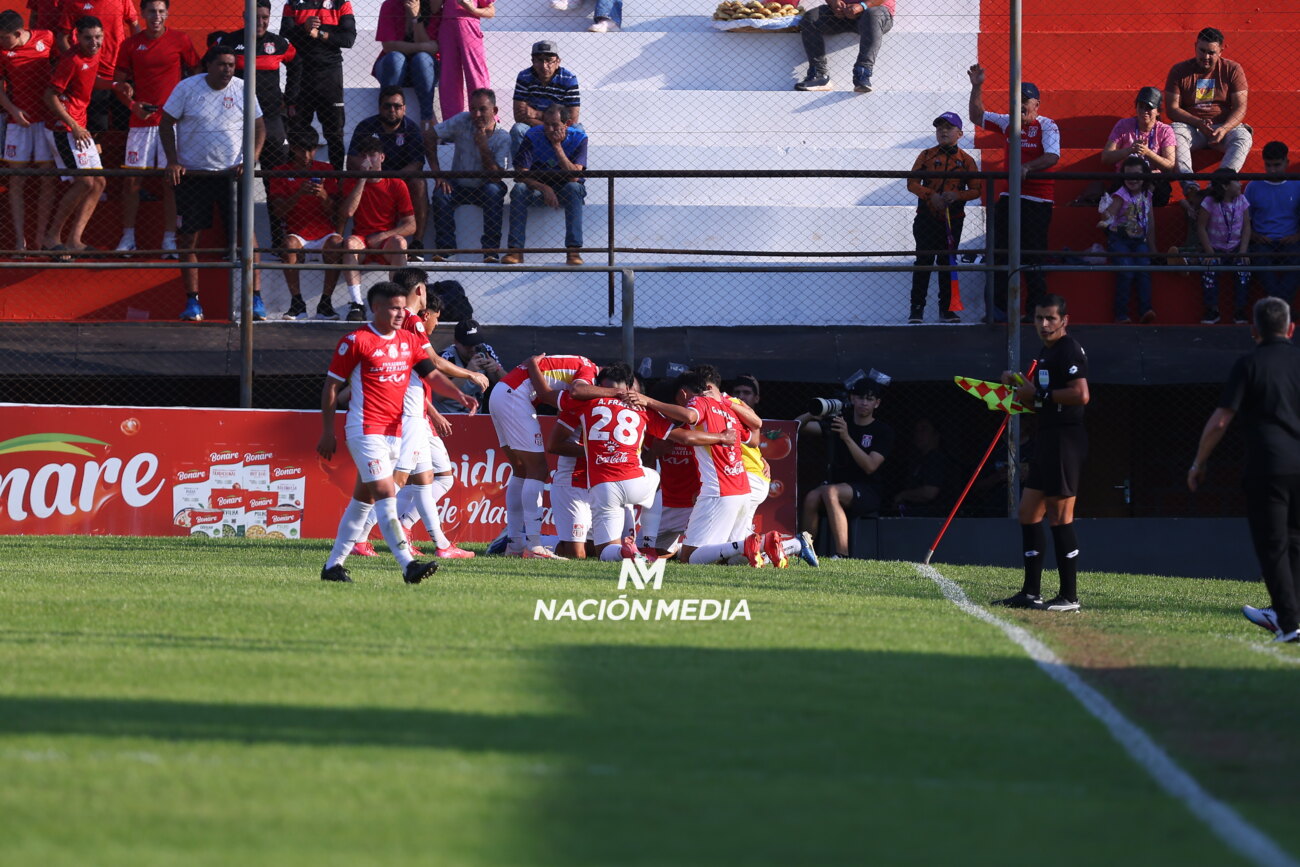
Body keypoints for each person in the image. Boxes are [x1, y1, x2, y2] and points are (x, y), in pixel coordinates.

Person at [316, 281, 451, 585]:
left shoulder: (407, 340)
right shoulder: (356, 341)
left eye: (403, 307)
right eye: (393, 307)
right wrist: (327, 431)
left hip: (396, 432)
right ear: (375, 308)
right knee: (387, 494)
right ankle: (408, 565)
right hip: (365, 431)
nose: (401, 313)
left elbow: (432, 373)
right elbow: (332, 387)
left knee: (361, 502)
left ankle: (333, 566)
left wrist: (459, 393)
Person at [349, 269, 485, 560]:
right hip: (409, 414)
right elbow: (432, 362)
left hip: (414, 410)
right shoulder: (411, 321)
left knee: (427, 479)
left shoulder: (399, 323)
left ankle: (439, 543)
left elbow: (418, 369)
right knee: (399, 479)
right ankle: (360, 537)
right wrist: (470, 375)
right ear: (420, 290)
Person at [1189, 296, 1300, 644]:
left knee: (1273, 546)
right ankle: (1289, 614)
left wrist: (1199, 462)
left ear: (1254, 330)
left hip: (1268, 465)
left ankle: (1289, 621)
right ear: (1291, 329)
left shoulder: (1249, 364)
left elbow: (1221, 420)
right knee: (1296, 542)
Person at [995, 293, 1090, 612]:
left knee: (1060, 517)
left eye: (1051, 318)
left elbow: (1081, 395)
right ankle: (1030, 592)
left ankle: (1069, 597)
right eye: (1039, 318)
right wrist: (1018, 386)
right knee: (1028, 513)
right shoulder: (1046, 351)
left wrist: (1038, 393)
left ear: (1065, 320)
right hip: (1047, 438)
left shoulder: (1068, 349)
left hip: (1065, 439)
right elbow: (1038, 398)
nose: (1044, 324)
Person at [161, 44, 266, 322]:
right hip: (195, 175)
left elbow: (260, 126)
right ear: (208, 65)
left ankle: (256, 299)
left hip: (233, 175)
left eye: (231, 65)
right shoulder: (187, 88)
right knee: (189, 239)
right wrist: (172, 161)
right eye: (221, 64)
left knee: (247, 235)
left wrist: (251, 159)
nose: (227, 70)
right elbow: (165, 123)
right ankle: (192, 302)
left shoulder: (243, 88)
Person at [488, 352, 628, 558]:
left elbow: (552, 395)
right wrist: (615, 393)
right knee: (537, 470)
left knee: (521, 469)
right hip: (514, 396)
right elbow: (577, 390)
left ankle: (515, 542)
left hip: (504, 392)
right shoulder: (588, 370)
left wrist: (533, 366)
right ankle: (533, 545)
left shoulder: (579, 369)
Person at [968, 66, 1060, 321]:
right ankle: (997, 311)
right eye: (1016, 100)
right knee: (1000, 252)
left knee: (1033, 257)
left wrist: (1027, 167)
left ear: (1036, 105)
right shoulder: (1008, 121)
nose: (1019, 106)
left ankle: (1034, 313)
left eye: (1024, 101)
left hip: (1038, 200)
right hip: (1010, 198)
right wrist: (977, 86)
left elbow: (1053, 156)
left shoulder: (1048, 126)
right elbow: (977, 116)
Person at [111, 0, 199, 257]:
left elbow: (197, 73)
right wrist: (132, 104)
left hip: (171, 124)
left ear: (167, 13)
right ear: (143, 14)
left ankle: (169, 240)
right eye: (151, 11)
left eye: (161, 11)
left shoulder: (181, 39)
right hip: (141, 123)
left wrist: (185, 104)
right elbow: (118, 83)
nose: (156, 16)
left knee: (171, 181)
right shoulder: (130, 44)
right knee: (131, 182)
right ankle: (128, 238)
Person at [214, 0, 300, 251]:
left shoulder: (279, 43)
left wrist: (290, 98)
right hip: (235, 124)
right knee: (234, 184)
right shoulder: (229, 42)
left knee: (276, 183)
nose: (260, 22)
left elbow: (296, 63)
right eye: (256, 16)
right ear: (244, 16)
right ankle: (234, 246)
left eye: (265, 17)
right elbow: (209, 68)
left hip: (271, 121)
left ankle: (279, 242)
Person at [797, 378, 893, 559]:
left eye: (870, 399)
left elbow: (870, 466)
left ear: (877, 403)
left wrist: (847, 437)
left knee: (830, 491)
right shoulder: (841, 422)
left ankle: (842, 554)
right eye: (860, 397)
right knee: (812, 497)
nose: (864, 403)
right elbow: (797, 427)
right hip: (839, 485)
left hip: (868, 490)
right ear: (852, 398)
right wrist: (814, 412)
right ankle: (805, 552)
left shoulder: (882, 431)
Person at [1164, 27, 1252, 221]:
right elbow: (1172, 109)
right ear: (1195, 46)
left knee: (1244, 137)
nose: (1205, 57)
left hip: (1223, 126)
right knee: (1173, 132)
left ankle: (1217, 187)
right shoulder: (1179, 70)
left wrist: (1225, 128)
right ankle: (1191, 188)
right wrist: (1198, 122)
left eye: (1211, 52)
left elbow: (1241, 108)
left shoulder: (1232, 69)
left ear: (1221, 50)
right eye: (1202, 50)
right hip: (1191, 127)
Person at [41, 15, 111, 258]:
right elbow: (49, 96)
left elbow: (90, 80)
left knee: (99, 182)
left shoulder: (95, 55)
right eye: (88, 38)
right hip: (63, 128)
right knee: (84, 182)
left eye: (98, 37)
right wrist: (73, 125)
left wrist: (116, 86)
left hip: (80, 127)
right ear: (77, 37)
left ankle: (74, 240)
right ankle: (52, 237)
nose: (94, 42)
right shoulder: (70, 60)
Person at [906, 111, 982, 323]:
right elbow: (912, 183)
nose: (943, 131)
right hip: (926, 218)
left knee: (947, 262)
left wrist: (957, 196)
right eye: (939, 128)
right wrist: (931, 195)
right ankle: (916, 310)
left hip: (953, 219)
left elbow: (976, 190)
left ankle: (947, 310)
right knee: (923, 261)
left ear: (960, 133)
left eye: (948, 128)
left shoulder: (967, 160)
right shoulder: (926, 155)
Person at [269, 128, 351, 320]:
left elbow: (337, 214)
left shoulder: (326, 170)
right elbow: (278, 212)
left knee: (337, 243)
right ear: (293, 149)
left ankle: (325, 303)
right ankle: (297, 303)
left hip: (324, 233)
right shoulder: (280, 172)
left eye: (311, 150)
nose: (306, 155)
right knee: (288, 245)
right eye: (301, 150)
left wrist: (323, 196)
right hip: (297, 233)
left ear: (316, 149)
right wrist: (298, 193)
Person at [339, 135, 416, 320]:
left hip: (385, 242)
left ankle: (396, 301)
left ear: (382, 157)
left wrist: (383, 236)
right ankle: (357, 304)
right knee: (349, 243)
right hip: (362, 240)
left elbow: (411, 225)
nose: (368, 160)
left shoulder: (396, 184)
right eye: (363, 156)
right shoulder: (352, 183)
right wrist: (363, 179)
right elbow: (348, 212)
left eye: (372, 155)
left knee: (400, 242)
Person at [429, 87, 510, 262]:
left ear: (494, 111)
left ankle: (490, 252)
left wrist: (483, 146)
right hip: (458, 183)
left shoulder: (503, 137)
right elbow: (429, 135)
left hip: (485, 185)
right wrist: (438, 175)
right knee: (440, 193)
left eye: (482, 109)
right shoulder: (462, 120)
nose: (476, 114)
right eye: (473, 109)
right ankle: (446, 251)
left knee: (494, 190)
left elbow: (496, 176)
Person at [502, 104, 587, 266]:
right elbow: (521, 174)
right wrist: (544, 188)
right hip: (538, 188)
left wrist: (557, 146)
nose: (549, 129)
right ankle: (515, 251)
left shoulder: (579, 137)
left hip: (566, 189)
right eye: (546, 124)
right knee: (519, 189)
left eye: (555, 125)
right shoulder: (533, 135)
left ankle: (573, 251)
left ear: (567, 124)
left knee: (574, 188)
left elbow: (574, 177)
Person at [0, 10, 56, 256]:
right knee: (16, 180)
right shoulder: (2, 52)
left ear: (17, 33)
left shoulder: (47, 38)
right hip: (18, 123)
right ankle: (19, 242)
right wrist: (13, 109)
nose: (1, 42)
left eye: (4, 38)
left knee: (47, 178)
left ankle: (40, 238)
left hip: (45, 121)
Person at [348, 86, 429, 252]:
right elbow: (352, 160)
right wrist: (370, 173)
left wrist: (393, 179)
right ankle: (338, 237)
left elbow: (417, 163)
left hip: (399, 179)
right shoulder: (365, 126)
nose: (392, 110)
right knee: (343, 182)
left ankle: (417, 244)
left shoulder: (411, 128)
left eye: (397, 106)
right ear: (380, 108)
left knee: (419, 183)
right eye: (387, 106)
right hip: (370, 177)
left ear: (404, 108)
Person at [281, 0, 356, 169]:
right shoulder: (293, 3)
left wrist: (320, 34)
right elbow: (284, 35)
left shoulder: (341, 3)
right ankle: (294, 180)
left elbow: (348, 39)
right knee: (297, 132)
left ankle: (337, 179)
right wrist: (304, 28)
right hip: (300, 74)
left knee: (334, 133)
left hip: (330, 74)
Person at [1083, 86, 1176, 209]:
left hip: (1152, 179)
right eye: (1140, 106)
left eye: (1149, 108)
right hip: (1126, 178)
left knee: (1158, 188)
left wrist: (1148, 153)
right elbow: (1106, 157)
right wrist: (1130, 150)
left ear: (1158, 111)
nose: (1144, 111)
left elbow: (1170, 165)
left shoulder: (1165, 130)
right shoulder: (1123, 125)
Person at [56, 0, 138, 132]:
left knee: (126, 124)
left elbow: (134, 25)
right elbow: (62, 37)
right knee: (96, 128)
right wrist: (79, 63)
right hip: (93, 76)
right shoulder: (73, 3)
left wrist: (135, 56)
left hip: (121, 72)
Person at [1101, 155, 1157, 323]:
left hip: (1139, 239)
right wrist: (1104, 212)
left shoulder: (1147, 194)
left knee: (1144, 270)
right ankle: (1121, 314)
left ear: (1144, 176)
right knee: (1126, 271)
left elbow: (1150, 221)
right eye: (1128, 175)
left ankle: (1145, 310)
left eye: (1137, 175)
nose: (1132, 179)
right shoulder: (1120, 195)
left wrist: (1153, 247)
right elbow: (1110, 215)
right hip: (1120, 239)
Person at [793, 0, 893, 93]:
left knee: (873, 14)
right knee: (810, 17)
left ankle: (863, 74)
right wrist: (834, 3)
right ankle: (819, 76)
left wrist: (862, 6)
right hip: (841, 15)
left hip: (874, 13)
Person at [1244, 141, 1300, 305]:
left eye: (1277, 165)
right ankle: (1282, 307)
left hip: (1291, 240)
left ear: (1287, 162)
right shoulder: (1253, 187)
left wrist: (1297, 236)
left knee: (1297, 260)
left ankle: (1276, 306)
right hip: (1262, 241)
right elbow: (1244, 221)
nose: (1272, 170)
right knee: (1260, 260)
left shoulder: (1297, 185)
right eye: (1268, 165)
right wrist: (1255, 236)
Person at [1196, 168, 1252, 325]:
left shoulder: (1242, 200)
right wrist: (1209, 252)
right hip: (1215, 248)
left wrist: (1243, 251)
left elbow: (1247, 226)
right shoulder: (1209, 202)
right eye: (1236, 181)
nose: (1240, 184)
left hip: (1236, 248)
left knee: (1243, 270)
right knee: (1209, 269)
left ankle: (1240, 310)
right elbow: (1201, 227)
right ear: (1225, 186)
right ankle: (1212, 309)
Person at [372, 0, 438, 129]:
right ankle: (388, 119)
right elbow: (389, 46)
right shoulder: (390, 5)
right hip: (393, 69)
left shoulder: (433, 8)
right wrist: (423, 47)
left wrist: (416, 17)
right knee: (396, 58)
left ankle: (427, 120)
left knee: (422, 59)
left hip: (423, 71)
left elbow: (431, 50)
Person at [510, 40, 581, 155]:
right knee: (518, 129)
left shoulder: (569, 78)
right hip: (536, 128)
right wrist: (551, 126)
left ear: (558, 62)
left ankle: (573, 166)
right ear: (533, 61)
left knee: (577, 129)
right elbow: (519, 116)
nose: (544, 66)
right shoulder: (524, 76)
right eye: (539, 60)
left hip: (560, 129)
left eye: (549, 60)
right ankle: (520, 166)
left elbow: (572, 119)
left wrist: (538, 114)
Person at [436, 0, 493, 122]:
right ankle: (452, 123)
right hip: (447, 27)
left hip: (469, 25)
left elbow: (491, 12)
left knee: (475, 73)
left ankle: (484, 120)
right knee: (448, 78)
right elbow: (434, 8)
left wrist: (472, 9)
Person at [434, 318, 503, 414]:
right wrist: (468, 372)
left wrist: (496, 369)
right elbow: (438, 396)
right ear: (456, 342)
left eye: (477, 344)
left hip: (476, 416)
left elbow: (508, 386)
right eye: (468, 345)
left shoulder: (485, 351)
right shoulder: (447, 358)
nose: (473, 349)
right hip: (450, 415)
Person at [891, 417, 952, 517]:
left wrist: (903, 495)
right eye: (917, 430)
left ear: (936, 435)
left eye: (924, 429)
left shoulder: (936, 458)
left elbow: (930, 492)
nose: (918, 434)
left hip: (935, 517)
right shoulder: (920, 460)